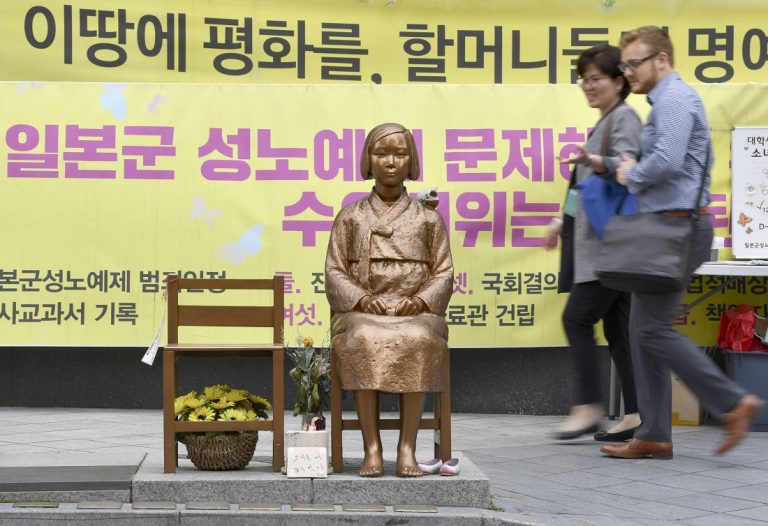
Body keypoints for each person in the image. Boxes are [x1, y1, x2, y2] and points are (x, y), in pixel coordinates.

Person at [602, 26, 763, 460]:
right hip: (668, 229)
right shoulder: (665, 100)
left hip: (676, 230)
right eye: (624, 65)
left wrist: (630, 174)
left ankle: (733, 402)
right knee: (642, 330)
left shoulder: (674, 98)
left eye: (635, 63)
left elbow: (669, 161)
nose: (628, 72)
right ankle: (654, 433)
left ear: (662, 60)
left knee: (651, 328)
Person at [325, 123, 454, 477]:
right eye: (382, 154)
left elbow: (443, 272)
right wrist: (363, 299)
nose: (391, 162)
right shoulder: (350, 216)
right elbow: (335, 271)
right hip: (363, 312)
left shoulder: (429, 219)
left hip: (415, 312)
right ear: (368, 160)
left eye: (400, 154)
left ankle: (406, 448)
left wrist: (421, 300)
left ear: (412, 161)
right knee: (364, 339)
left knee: (418, 338)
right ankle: (372, 448)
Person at [545, 45, 643, 442]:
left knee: (577, 319)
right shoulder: (604, 121)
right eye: (584, 79)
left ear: (619, 82)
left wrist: (598, 161)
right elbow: (581, 183)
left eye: (596, 79)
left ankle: (588, 407)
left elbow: (629, 166)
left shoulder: (624, 118)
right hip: (604, 245)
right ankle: (637, 414)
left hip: (611, 247)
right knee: (619, 330)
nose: (588, 86)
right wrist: (559, 220)